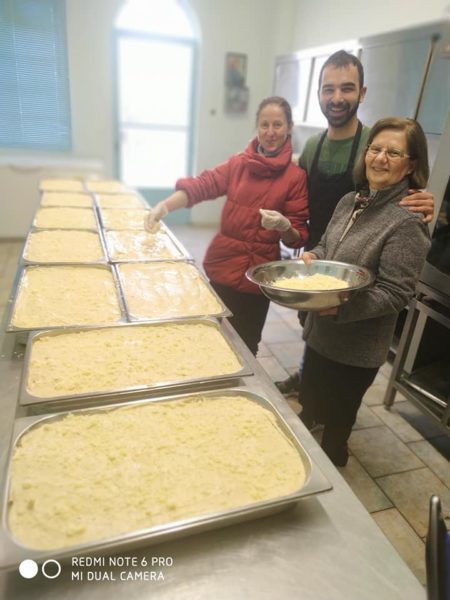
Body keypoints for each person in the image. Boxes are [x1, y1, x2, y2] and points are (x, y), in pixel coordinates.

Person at [276, 49, 435, 395]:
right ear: (319, 94)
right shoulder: (313, 146)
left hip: (359, 272)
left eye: (347, 88)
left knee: (339, 364)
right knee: (312, 329)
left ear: (362, 93)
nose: (337, 98)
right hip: (319, 254)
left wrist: (423, 199)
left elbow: (400, 189)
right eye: (328, 89)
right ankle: (307, 379)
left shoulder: (374, 141)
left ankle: (321, 396)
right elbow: (297, 199)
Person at [298, 116, 431, 466]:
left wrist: (340, 308)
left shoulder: (407, 221)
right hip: (320, 333)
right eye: (376, 149)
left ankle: (333, 463)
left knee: (337, 426)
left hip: (355, 348)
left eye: (394, 153)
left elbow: (396, 293)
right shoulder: (350, 201)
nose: (380, 158)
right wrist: (315, 256)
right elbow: (328, 246)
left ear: (411, 165)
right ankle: (306, 434)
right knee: (310, 400)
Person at [145, 96, 309, 355]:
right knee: (211, 338)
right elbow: (203, 185)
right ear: (257, 127)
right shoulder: (238, 164)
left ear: (289, 127)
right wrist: (164, 207)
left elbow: (297, 237)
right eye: (264, 124)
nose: (270, 132)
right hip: (223, 267)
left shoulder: (295, 177)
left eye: (277, 125)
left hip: (257, 277)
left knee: (245, 345)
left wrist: (284, 225)